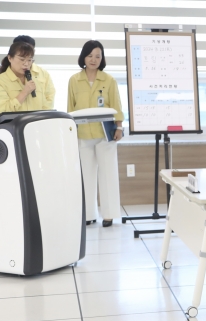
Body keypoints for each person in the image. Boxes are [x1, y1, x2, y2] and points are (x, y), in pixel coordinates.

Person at [68, 40, 124, 227]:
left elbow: (116, 105)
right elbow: (70, 108)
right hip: (83, 134)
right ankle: (88, 215)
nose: (94, 59)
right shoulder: (74, 80)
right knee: (85, 175)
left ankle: (109, 214)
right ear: (83, 57)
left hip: (105, 133)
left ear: (102, 58)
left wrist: (119, 127)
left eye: (98, 56)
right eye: (90, 55)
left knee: (108, 174)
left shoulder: (109, 80)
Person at [0, 42, 53, 112]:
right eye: (22, 59)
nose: (26, 64)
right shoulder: (2, 81)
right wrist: (24, 92)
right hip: (13, 123)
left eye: (29, 60)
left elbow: (46, 108)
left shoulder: (36, 80)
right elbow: (3, 111)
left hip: (36, 122)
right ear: (10, 58)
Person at [12, 35, 56, 110]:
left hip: (38, 119)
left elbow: (49, 97)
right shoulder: (4, 75)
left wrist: (42, 117)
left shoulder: (43, 73)